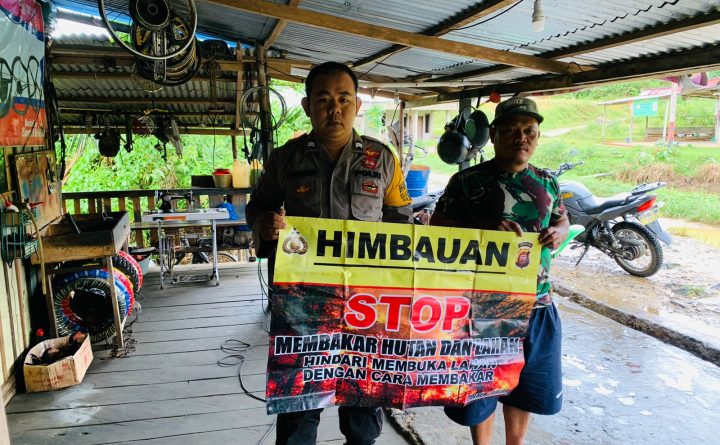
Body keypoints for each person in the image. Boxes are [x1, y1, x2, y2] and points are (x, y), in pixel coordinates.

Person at [246, 62, 413, 445]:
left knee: (362, 403)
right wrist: (265, 226)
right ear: (307, 106)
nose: (334, 109)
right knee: (298, 403)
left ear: (357, 105)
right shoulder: (285, 159)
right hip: (302, 302)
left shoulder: (382, 159)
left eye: (343, 99)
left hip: (365, 303)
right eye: (323, 100)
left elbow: (401, 220)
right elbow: (257, 208)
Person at [430, 97, 569, 445]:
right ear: (493, 135)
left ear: (537, 136)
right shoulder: (466, 181)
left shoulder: (547, 182)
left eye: (529, 131)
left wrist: (559, 231)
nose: (521, 138)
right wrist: (482, 231)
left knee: (525, 384)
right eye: (511, 130)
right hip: (482, 308)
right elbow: (437, 228)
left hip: (536, 304)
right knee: (482, 387)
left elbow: (562, 219)